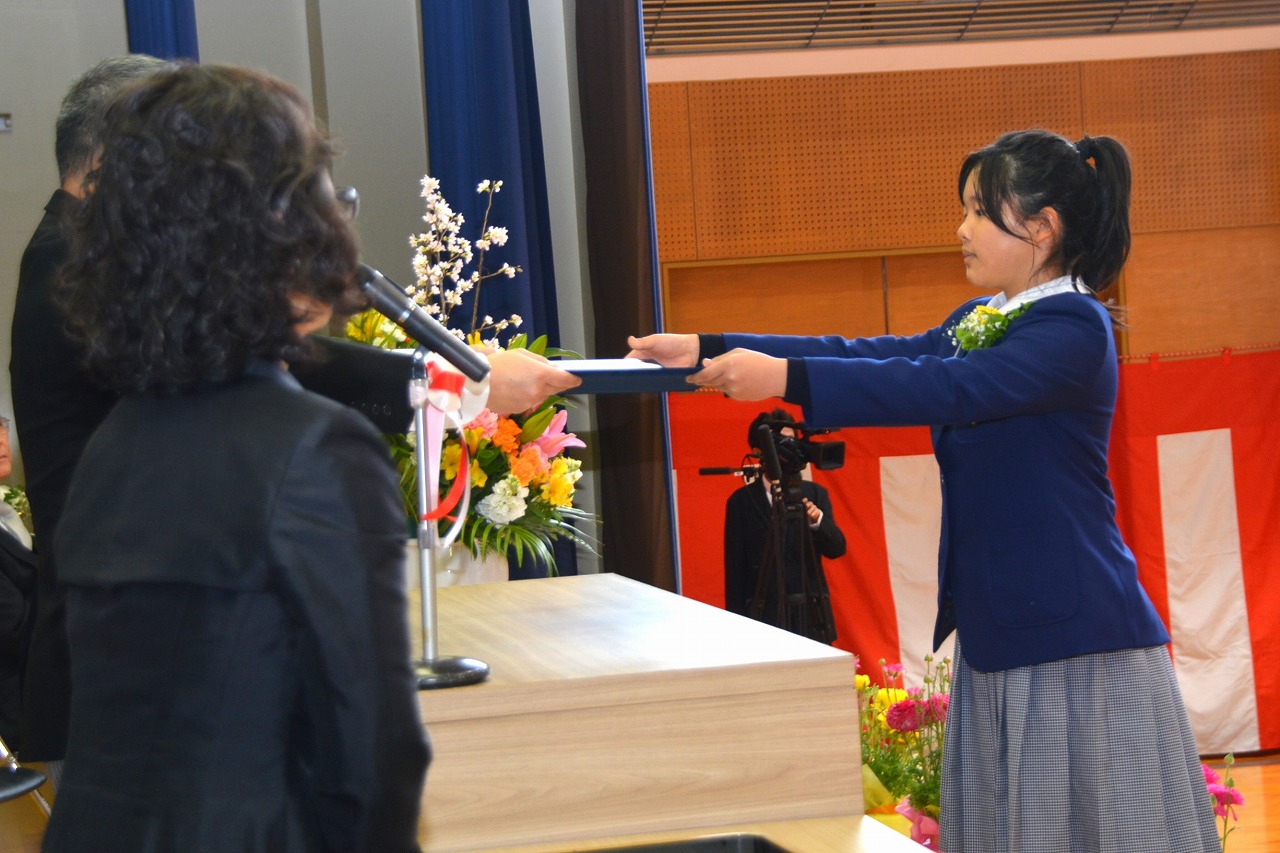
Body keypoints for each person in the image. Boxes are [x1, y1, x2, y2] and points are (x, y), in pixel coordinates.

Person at [629, 129, 1219, 851]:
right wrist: (707, 348)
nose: (962, 229)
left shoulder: (1074, 325)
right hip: (1007, 628)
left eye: (980, 212)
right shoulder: (984, 320)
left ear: (1042, 227)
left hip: (1074, 638)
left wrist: (781, 379)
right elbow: (874, 354)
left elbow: (945, 385)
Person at [10, 55, 577, 783]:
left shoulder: (87, 256)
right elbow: (238, 358)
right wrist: (453, 378)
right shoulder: (76, 263)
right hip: (134, 674)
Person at [723, 409, 845, 642]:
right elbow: (735, 572)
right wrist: (737, 629)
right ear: (758, 451)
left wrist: (818, 520)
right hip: (763, 619)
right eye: (780, 444)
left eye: (792, 442)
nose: (789, 450)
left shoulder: (815, 494)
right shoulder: (741, 502)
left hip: (811, 614)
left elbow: (837, 548)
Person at [0, 415, 35, 752]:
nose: (0, 438)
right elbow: (12, 626)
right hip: (13, 702)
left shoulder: (8, 512)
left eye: (1, 427)